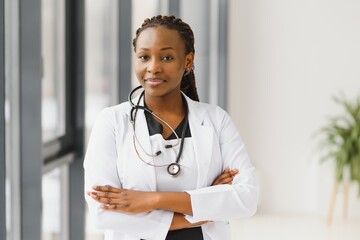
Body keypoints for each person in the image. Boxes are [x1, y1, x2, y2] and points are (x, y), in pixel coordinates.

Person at [84, 15, 258, 240]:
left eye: (166, 57)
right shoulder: (111, 122)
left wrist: (149, 200)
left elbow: (247, 198)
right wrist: (203, 206)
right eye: (144, 57)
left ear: (187, 61)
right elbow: (103, 213)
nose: (153, 67)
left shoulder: (216, 120)